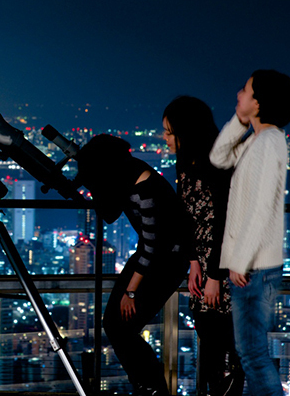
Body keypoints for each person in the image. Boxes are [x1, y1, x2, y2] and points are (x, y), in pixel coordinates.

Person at [75, 134, 193, 396]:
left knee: (120, 326)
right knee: (115, 325)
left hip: (166, 262)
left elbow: (154, 247)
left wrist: (130, 292)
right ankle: (148, 384)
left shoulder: (145, 191)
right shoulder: (130, 174)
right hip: (152, 258)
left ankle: (152, 387)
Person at [209, 70, 290, 396]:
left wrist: (240, 260)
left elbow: (262, 206)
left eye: (245, 91)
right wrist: (239, 120)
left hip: (254, 267)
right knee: (250, 353)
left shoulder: (269, 143)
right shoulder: (258, 140)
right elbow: (219, 157)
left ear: (259, 102)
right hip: (254, 265)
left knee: (252, 353)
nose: (238, 94)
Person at [163, 96, 244, 396]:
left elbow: (227, 219)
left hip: (227, 264)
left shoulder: (219, 160)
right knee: (208, 340)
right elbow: (186, 216)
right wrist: (193, 262)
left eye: (170, 132)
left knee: (226, 349)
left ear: (187, 131)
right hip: (204, 263)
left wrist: (215, 276)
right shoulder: (184, 160)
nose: (166, 138)